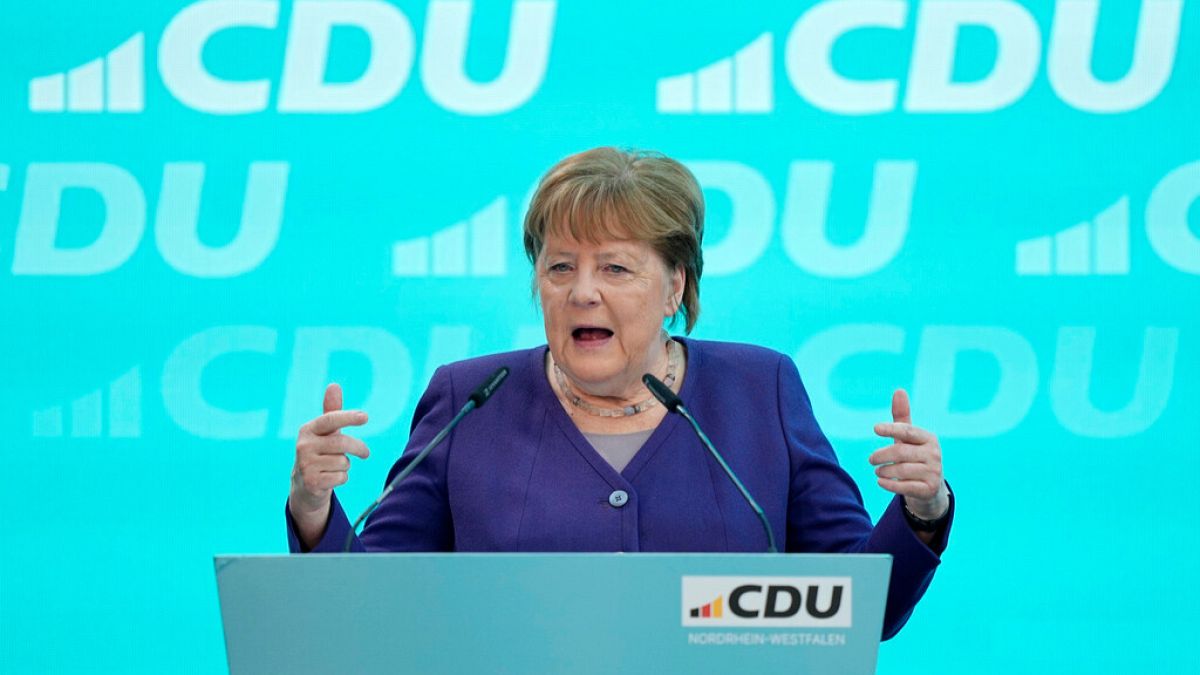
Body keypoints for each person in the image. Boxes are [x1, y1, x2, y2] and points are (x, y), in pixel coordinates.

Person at [286, 147, 952, 639]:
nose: (582, 291)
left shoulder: (761, 389)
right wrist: (316, 507)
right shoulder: (469, 398)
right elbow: (371, 611)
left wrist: (922, 509)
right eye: (559, 267)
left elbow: (857, 608)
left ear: (676, 288)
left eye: (615, 267)